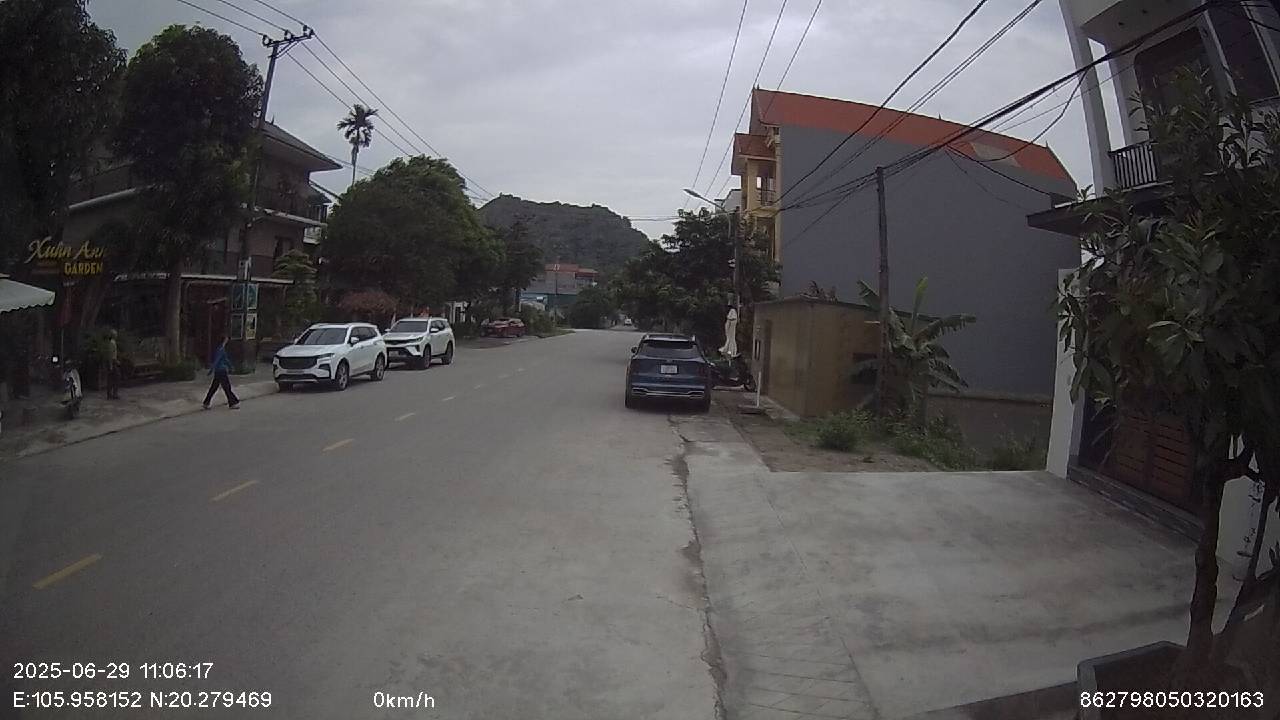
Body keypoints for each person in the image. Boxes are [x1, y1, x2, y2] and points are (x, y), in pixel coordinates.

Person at [203, 336, 240, 410]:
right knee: (227, 387)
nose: (227, 340)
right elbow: (217, 360)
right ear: (224, 340)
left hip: (219, 371)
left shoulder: (221, 349)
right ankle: (232, 403)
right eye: (226, 339)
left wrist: (230, 366)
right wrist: (211, 369)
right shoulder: (220, 349)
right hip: (221, 371)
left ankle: (206, 402)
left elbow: (225, 359)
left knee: (214, 387)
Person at [103, 329, 120, 399]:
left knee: (113, 377)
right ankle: (112, 393)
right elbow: (110, 354)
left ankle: (111, 393)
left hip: (113, 361)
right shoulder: (112, 343)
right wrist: (111, 365)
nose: (117, 335)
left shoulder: (113, 342)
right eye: (116, 334)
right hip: (112, 362)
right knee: (115, 377)